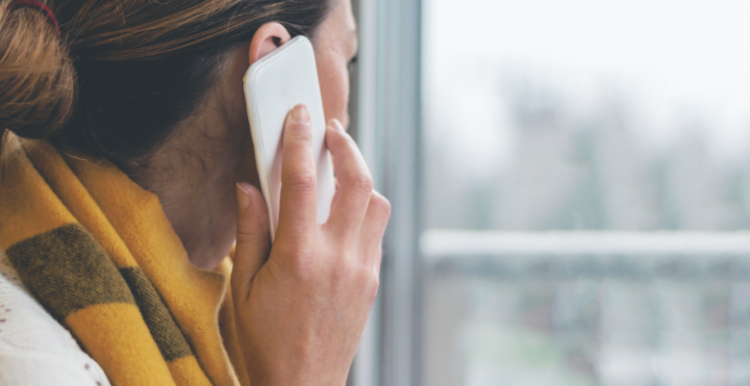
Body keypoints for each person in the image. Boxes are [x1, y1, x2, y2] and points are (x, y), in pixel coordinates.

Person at [0, 0, 390, 385]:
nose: (348, 117)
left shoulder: (229, 303)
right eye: (349, 59)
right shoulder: (34, 365)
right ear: (275, 60)